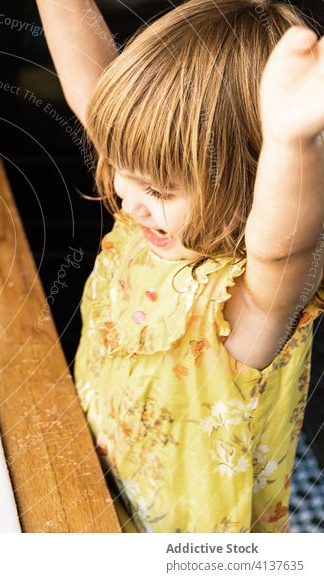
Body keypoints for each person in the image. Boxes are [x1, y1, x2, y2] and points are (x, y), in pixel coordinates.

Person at [36, 0, 324, 532]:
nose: (126, 198)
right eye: (121, 168)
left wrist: (292, 141)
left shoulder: (246, 310)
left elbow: (282, 249)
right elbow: (91, 88)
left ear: (253, 184)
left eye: (159, 189)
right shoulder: (153, 225)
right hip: (93, 494)